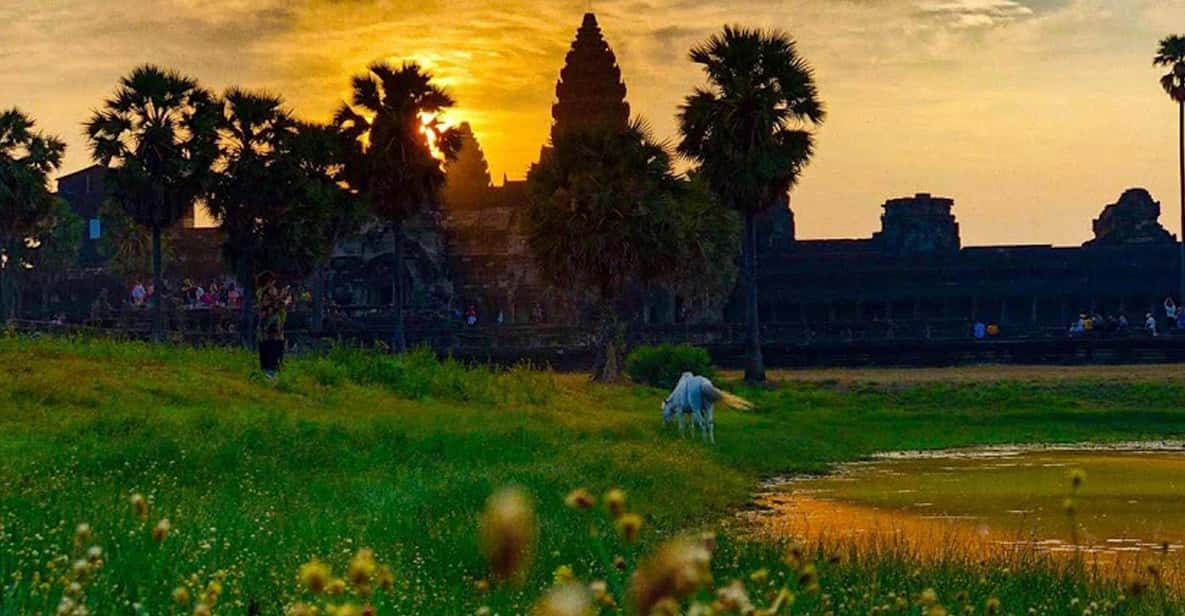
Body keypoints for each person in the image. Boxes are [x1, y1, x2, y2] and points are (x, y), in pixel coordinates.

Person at [256, 272, 290, 380]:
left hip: (268, 328)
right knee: (272, 349)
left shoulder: (261, 292)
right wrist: (286, 300)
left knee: (269, 349)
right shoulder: (266, 292)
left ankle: (269, 371)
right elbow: (276, 305)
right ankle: (270, 374)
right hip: (271, 328)